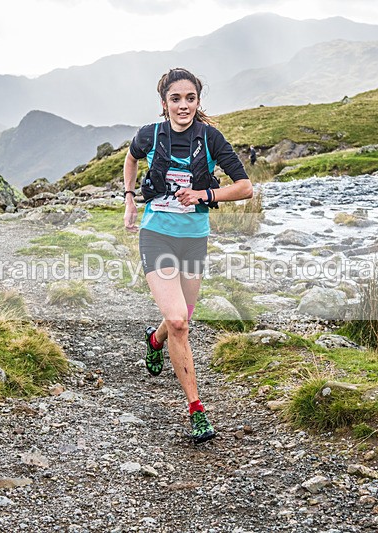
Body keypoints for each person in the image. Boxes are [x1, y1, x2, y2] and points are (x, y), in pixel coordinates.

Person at [123, 67, 253, 444]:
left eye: (190, 98)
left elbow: (245, 187)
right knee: (179, 321)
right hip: (157, 236)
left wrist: (203, 195)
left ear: (198, 101)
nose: (183, 106)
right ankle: (197, 410)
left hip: (194, 240)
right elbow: (131, 160)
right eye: (175, 99)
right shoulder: (150, 135)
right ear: (164, 103)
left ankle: (155, 340)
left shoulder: (211, 138)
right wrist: (130, 199)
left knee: (180, 320)